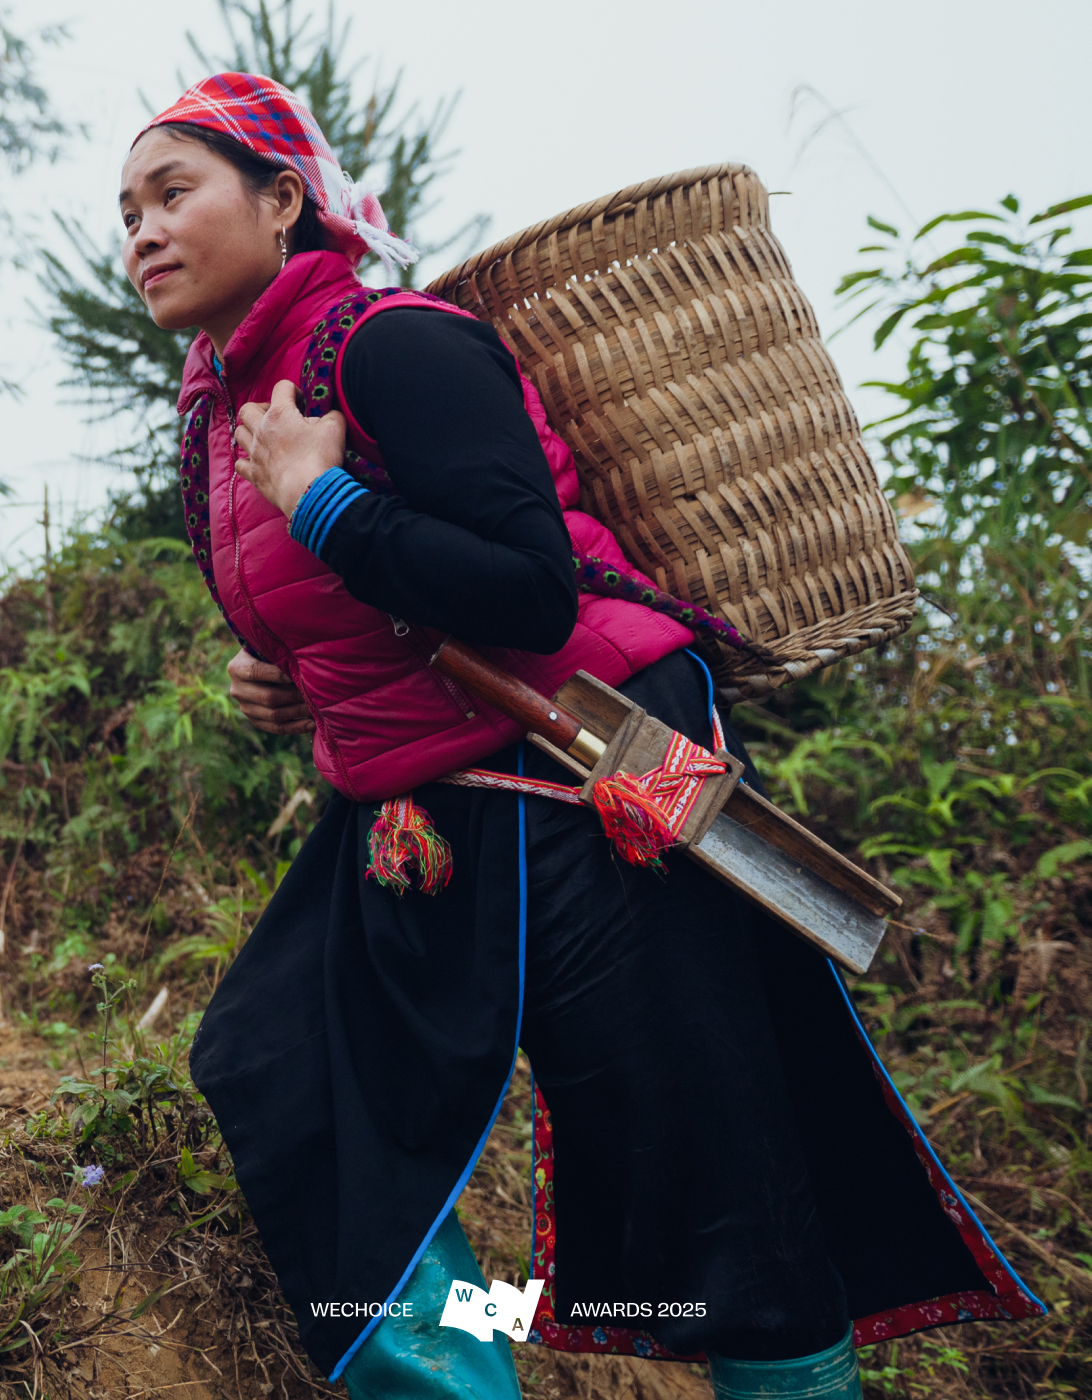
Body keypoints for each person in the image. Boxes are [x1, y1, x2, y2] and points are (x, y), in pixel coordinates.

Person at [119, 70, 1044, 1400]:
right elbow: (354, 611)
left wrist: (322, 503)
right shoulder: (226, 412)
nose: (142, 231)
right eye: (126, 211)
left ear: (283, 203)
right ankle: (455, 1373)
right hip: (418, 788)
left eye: (173, 191)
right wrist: (285, 683)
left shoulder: (395, 346)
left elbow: (525, 588)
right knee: (278, 1064)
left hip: (590, 756)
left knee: (700, 1144)